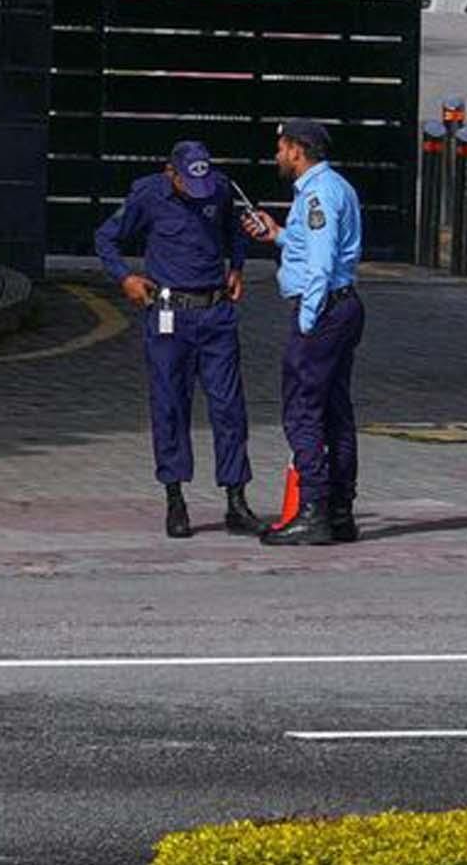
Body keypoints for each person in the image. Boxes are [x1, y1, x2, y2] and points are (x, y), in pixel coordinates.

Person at [95, 139, 261, 537]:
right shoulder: (148, 194)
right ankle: (175, 498)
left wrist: (237, 266)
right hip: (170, 316)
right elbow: (106, 238)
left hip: (216, 313)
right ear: (171, 173)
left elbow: (234, 231)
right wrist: (125, 277)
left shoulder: (220, 189)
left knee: (229, 408)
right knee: (170, 406)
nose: (196, 191)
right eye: (187, 183)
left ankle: (236, 499)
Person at [246, 116, 363, 546]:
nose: (277, 155)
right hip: (342, 306)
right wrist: (278, 234)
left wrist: (307, 319)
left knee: (303, 409)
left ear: (297, 149)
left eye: (281, 148)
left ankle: (312, 509)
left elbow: (321, 262)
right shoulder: (335, 187)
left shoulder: (317, 194)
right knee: (335, 410)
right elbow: (310, 244)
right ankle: (340, 511)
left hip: (324, 309)